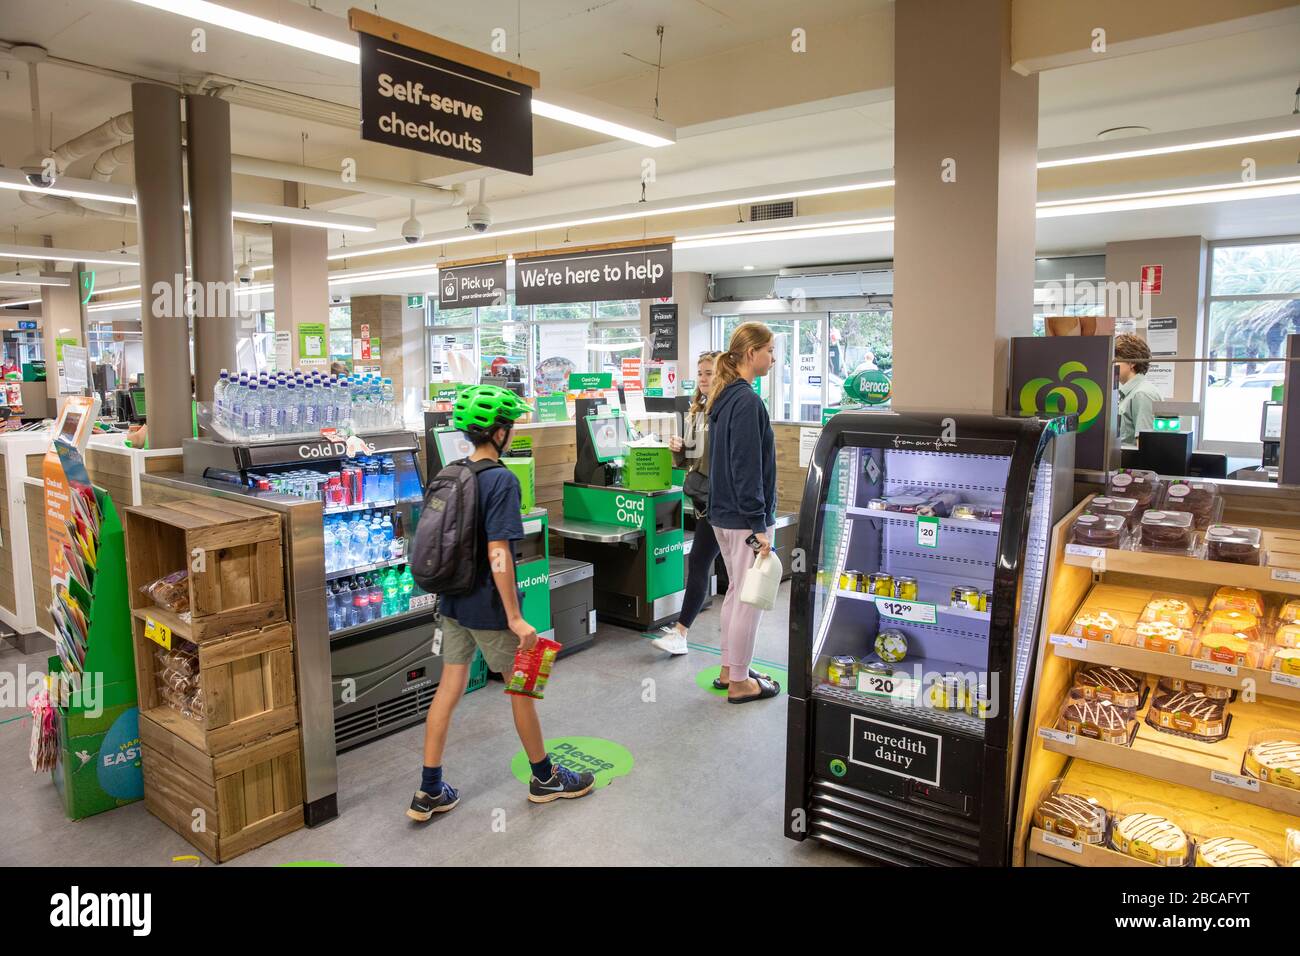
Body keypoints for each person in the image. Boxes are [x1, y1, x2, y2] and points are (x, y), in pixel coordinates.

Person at [408, 384, 596, 821]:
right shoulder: (501, 481)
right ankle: (545, 778)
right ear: (498, 433)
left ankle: (429, 790)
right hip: (489, 608)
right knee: (523, 688)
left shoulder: (453, 472)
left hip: (452, 602)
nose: (511, 434)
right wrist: (515, 618)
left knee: (449, 690)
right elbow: (498, 554)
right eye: (509, 427)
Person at [706, 322, 781, 704]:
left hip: (723, 515)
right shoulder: (747, 400)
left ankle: (728, 669)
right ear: (751, 353)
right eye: (769, 350)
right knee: (750, 598)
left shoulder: (724, 396)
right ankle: (739, 682)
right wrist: (759, 524)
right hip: (744, 519)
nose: (773, 358)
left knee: (737, 593)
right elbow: (746, 466)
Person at [650, 351, 721, 656]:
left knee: (703, 563)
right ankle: (682, 633)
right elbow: (691, 459)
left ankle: (683, 632)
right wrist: (679, 450)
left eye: (710, 373)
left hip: (724, 503)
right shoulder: (697, 410)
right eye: (701, 373)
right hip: (703, 500)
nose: (704, 379)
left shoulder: (727, 410)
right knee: (700, 563)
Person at [1115, 333, 1162, 444]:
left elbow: (1145, 446)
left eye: (1115, 360)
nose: (1112, 365)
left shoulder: (1142, 394)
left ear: (1132, 363)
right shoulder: (1128, 393)